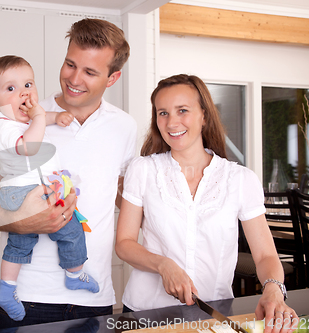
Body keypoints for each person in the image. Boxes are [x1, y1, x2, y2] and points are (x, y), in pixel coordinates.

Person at [0, 18, 137, 330]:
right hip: (26, 297)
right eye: (70, 64)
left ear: (112, 78)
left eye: (90, 71)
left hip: (94, 299)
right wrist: (23, 222)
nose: (74, 78)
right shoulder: (22, 115)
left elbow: (123, 196)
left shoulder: (125, 127)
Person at [115, 74, 299, 333]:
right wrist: (163, 265)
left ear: (204, 115)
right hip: (146, 313)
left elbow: (266, 255)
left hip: (213, 316)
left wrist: (273, 289)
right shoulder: (142, 170)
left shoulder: (240, 179)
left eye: (182, 110)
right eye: (163, 113)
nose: (172, 122)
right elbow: (124, 244)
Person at [0, 55, 100, 322]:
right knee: (70, 229)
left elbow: (42, 121)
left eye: (28, 84)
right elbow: (28, 147)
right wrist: (39, 117)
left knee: (22, 243)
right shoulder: (3, 126)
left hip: (27, 191)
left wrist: (57, 117)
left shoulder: (25, 120)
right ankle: (74, 273)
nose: (23, 93)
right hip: (23, 193)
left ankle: (7, 289)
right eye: (10, 89)